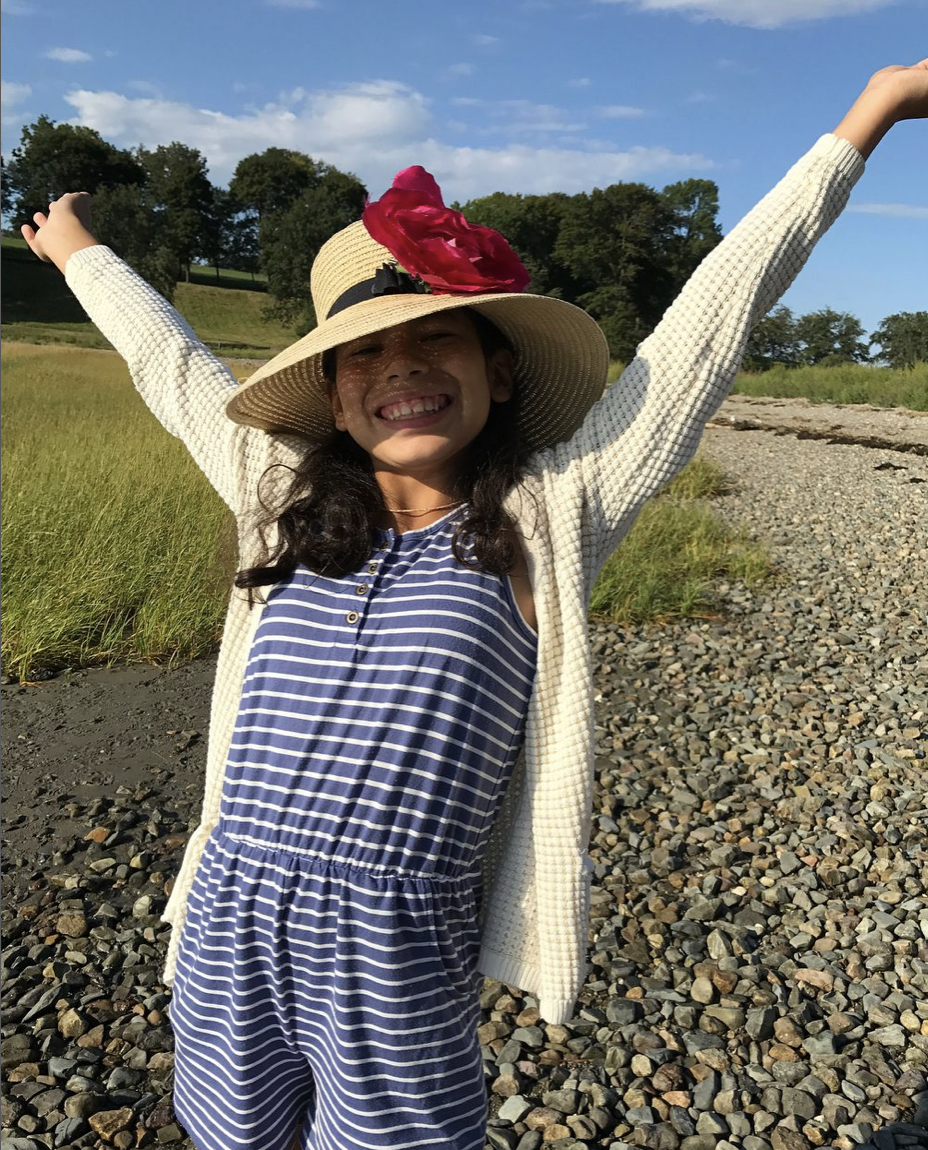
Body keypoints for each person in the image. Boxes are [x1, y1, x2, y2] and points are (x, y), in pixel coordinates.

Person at [21, 58, 926, 1150]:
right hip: (227, 911)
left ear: (499, 372)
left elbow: (709, 322)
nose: (398, 369)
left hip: (396, 937)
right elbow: (169, 363)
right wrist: (79, 252)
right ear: (333, 391)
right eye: (364, 353)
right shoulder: (278, 495)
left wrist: (868, 115)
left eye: (434, 339)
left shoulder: (554, 511)